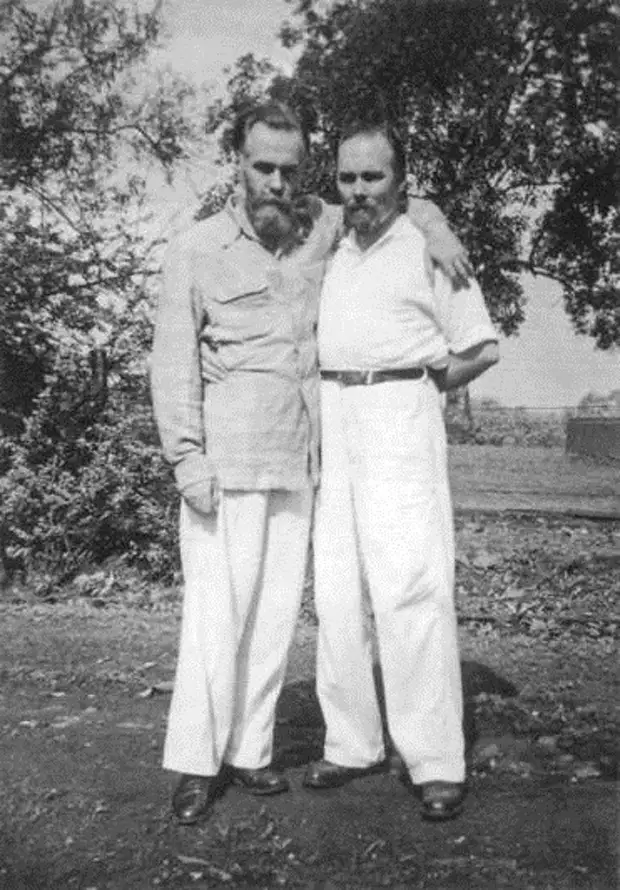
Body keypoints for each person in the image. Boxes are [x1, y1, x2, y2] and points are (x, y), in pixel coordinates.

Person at [150, 100, 471, 825]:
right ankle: (197, 764)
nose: (276, 182)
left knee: (272, 622)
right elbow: (171, 365)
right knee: (215, 618)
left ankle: (250, 751)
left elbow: (392, 201)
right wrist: (186, 462)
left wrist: (436, 223)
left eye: (290, 170)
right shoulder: (196, 248)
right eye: (262, 166)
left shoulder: (319, 228)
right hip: (226, 464)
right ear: (237, 163)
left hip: (300, 465)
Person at [302, 115, 499, 822]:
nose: (359, 190)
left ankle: (435, 758)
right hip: (331, 413)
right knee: (337, 589)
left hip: (399, 411)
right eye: (347, 177)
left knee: (411, 587)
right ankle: (352, 743)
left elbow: (480, 346)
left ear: (401, 181)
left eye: (373, 176)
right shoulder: (326, 242)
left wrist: (425, 386)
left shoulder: (428, 246)